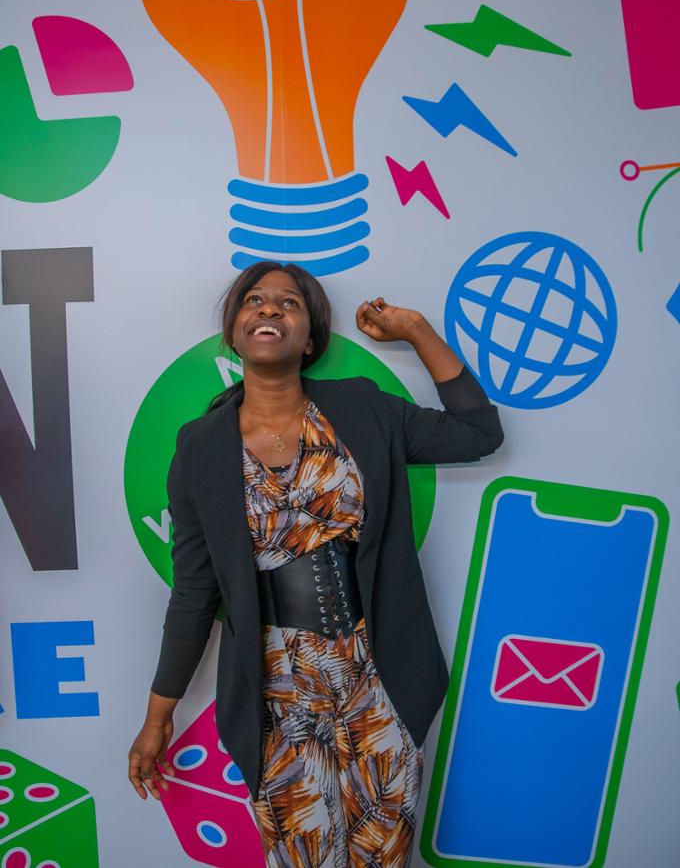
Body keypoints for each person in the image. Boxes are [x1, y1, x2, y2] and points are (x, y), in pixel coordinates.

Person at [128, 260, 503, 867]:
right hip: (277, 688)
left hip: (376, 673)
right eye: (255, 300)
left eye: (289, 304)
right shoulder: (199, 447)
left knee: (383, 856)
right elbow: (194, 592)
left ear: (311, 338)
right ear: (234, 329)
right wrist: (157, 716)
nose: (270, 309)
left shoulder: (364, 410)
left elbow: (479, 433)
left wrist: (417, 331)